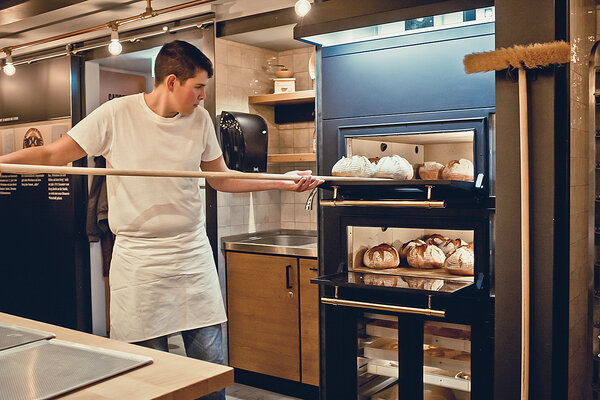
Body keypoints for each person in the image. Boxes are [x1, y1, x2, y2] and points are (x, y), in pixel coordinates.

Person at [0, 40, 322, 400]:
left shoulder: (198, 120)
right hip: (138, 263)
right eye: (197, 87)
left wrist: (280, 183)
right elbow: (51, 152)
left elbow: (221, 178)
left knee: (210, 371)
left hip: (191, 257)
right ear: (171, 82)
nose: (202, 97)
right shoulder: (115, 115)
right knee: (148, 377)